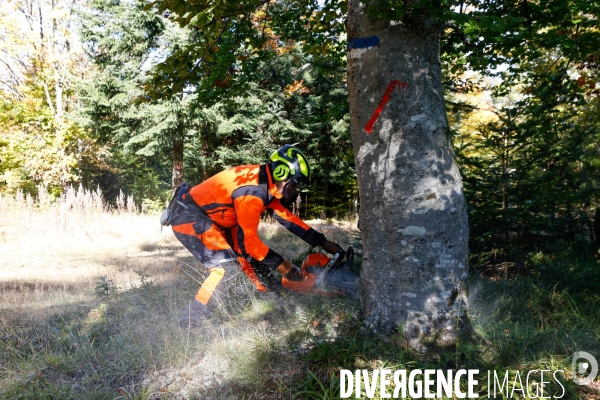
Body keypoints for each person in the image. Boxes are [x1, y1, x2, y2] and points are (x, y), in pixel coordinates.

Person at [170, 144, 344, 327]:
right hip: (189, 219)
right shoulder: (252, 190)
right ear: (281, 173)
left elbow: (286, 217)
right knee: (226, 269)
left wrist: (322, 242)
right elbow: (251, 242)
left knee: (247, 258)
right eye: (295, 184)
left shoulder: (265, 182)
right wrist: (284, 266)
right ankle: (191, 322)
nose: (295, 190)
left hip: (215, 220)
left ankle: (274, 295)